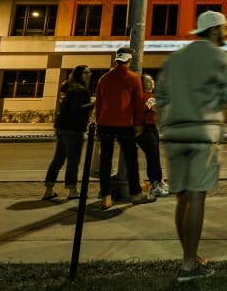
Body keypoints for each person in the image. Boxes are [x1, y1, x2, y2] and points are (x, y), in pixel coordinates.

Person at [157, 10, 227, 282]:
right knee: (196, 197)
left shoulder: (175, 58)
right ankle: (188, 264)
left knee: (181, 198)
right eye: (226, 28)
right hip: (202, 130)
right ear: (215, 30)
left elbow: (160, 94)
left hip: (174, 131)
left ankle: (189, 258)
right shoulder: (222, 58)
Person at [94, 47, 155, 209]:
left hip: (105, 124)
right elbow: (137, 104)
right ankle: (136, 193)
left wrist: (98, 120)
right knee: (131, 160)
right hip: (125, 124)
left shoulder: (104, 78)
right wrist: (138, 124)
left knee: (105, 161)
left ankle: (106, 196)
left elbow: (98, 103)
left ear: (116, 59)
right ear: (129, 60)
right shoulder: (133, 78)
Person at [42, 65, 94, 201]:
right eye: (86, 73)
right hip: (73, 128)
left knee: (58, 159)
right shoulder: (79, 90)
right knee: (73, 160)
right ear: (79, 74)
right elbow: (76, 109)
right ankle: (72, 190)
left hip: (62, 127)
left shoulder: (70, 88)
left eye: (89, 72)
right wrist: (94, 103)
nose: (89, 75)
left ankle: (49, 189)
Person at [136, 73, 170, 198]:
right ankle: (154, 185)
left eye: (152, 80)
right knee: (153, 158)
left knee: (154, 157)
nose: (151, 82)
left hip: (149, 129)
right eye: (148, 81)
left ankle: (159, 182)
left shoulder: (147, 96)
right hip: (147, 129)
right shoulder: (147, 96)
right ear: (143, 84)